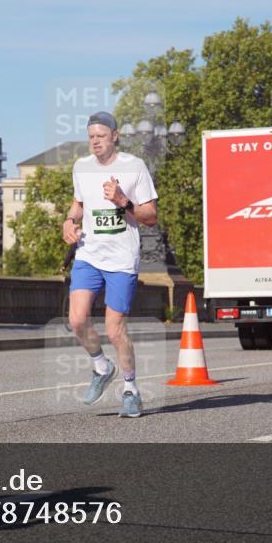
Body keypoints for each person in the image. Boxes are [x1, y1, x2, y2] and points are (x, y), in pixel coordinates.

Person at [63, 111, 158, 418]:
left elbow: (151, 216)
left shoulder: (134, 167)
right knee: (77, 320)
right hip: (89, 254)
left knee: (115, 331)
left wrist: (122, 201)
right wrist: (69, 221)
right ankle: (102, 367)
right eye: (91, 137)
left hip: (121, 259)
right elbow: (78, 204)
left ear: (115, 136)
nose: (95, 142)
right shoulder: (82, 167)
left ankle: (131, 390)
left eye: (101, 136)